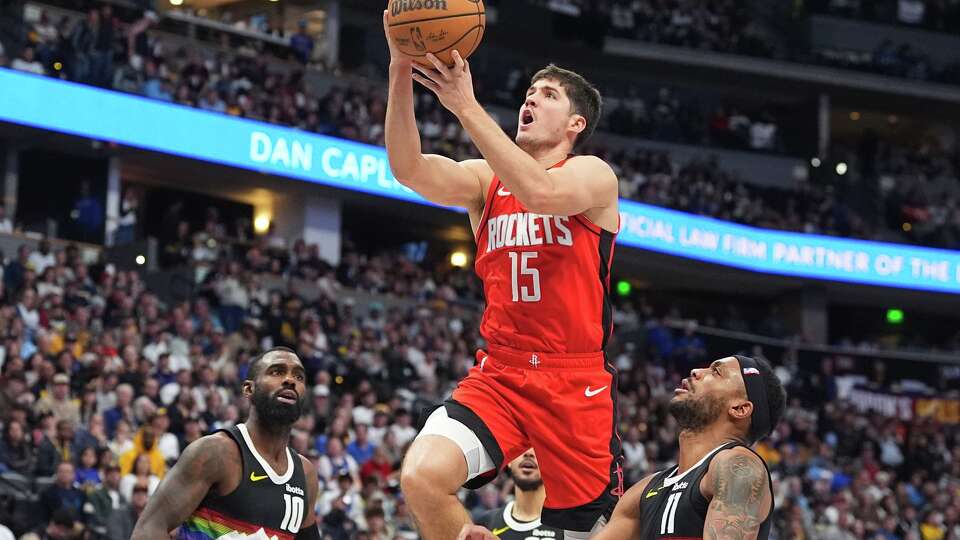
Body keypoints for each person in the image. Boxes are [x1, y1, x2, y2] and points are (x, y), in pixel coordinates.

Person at [383, 11, 622, 539]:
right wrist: (400, 66)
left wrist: (465, 106)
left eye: (549, 95)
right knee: (421, 477)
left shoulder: (593, 176)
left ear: (576, 124)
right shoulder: (485, 181)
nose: (531, 99)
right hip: (501, 374)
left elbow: (542, 193)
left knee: (591, 534)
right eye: (530, 91)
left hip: (573, 382)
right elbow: (408, 167)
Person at [460, 355, 787, 540]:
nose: (696, 371)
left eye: (716, 371)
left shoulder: (737, 466)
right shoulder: (646, 489)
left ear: (741, 409)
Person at [131, 347, 321, 539]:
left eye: (299, 376)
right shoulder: (215, 452)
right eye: (277, 372)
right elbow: (148, 530)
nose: (290, 380)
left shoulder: (305, 474)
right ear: (249, 389)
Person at [478, 449, 563, 539]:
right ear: (509, 461)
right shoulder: (486, 523)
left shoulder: (569, 525)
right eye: (522, 446)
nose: (528, 453)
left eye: (536, 447)